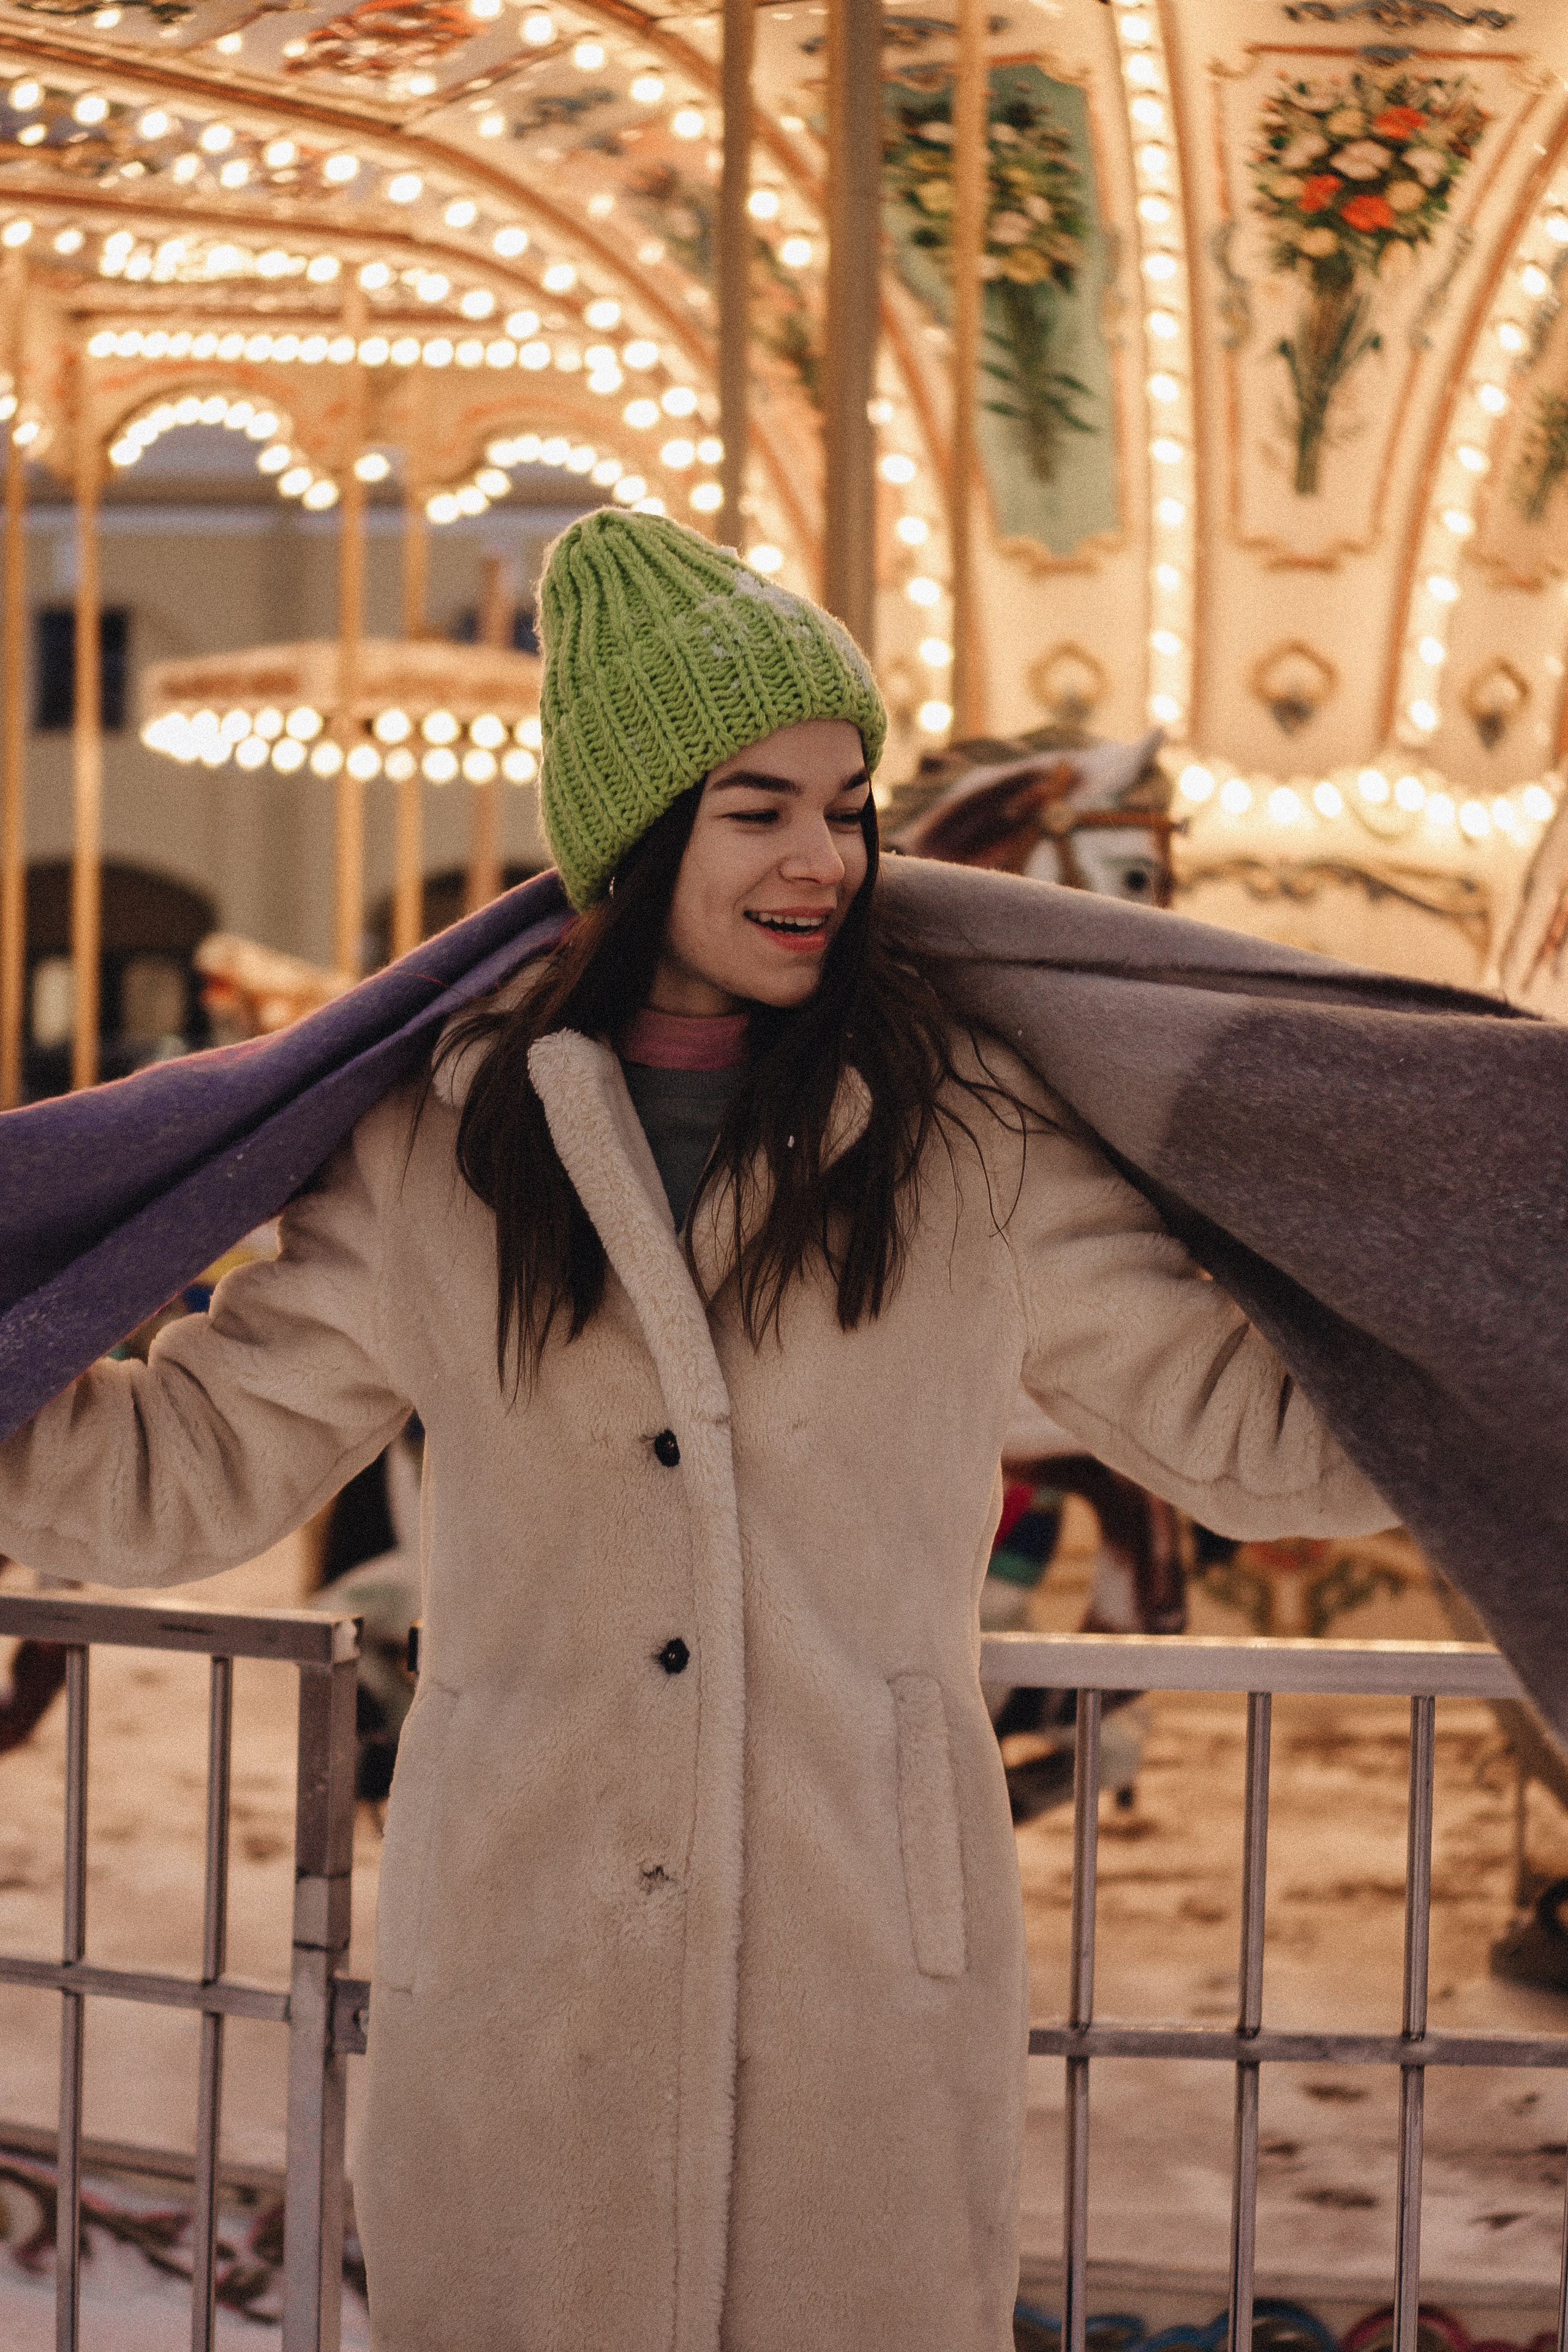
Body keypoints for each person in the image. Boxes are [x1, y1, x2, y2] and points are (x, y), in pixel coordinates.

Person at [0, 511, 1393, 2352]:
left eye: (848, 802)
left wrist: (1485, 1344)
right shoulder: (438, 1145)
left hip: (859, 1987)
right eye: (760, 809)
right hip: (520, 1966)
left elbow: (1240, 1437)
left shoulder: (963, 1132)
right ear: (639, 835)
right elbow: (187, 1475)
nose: (825, 857)